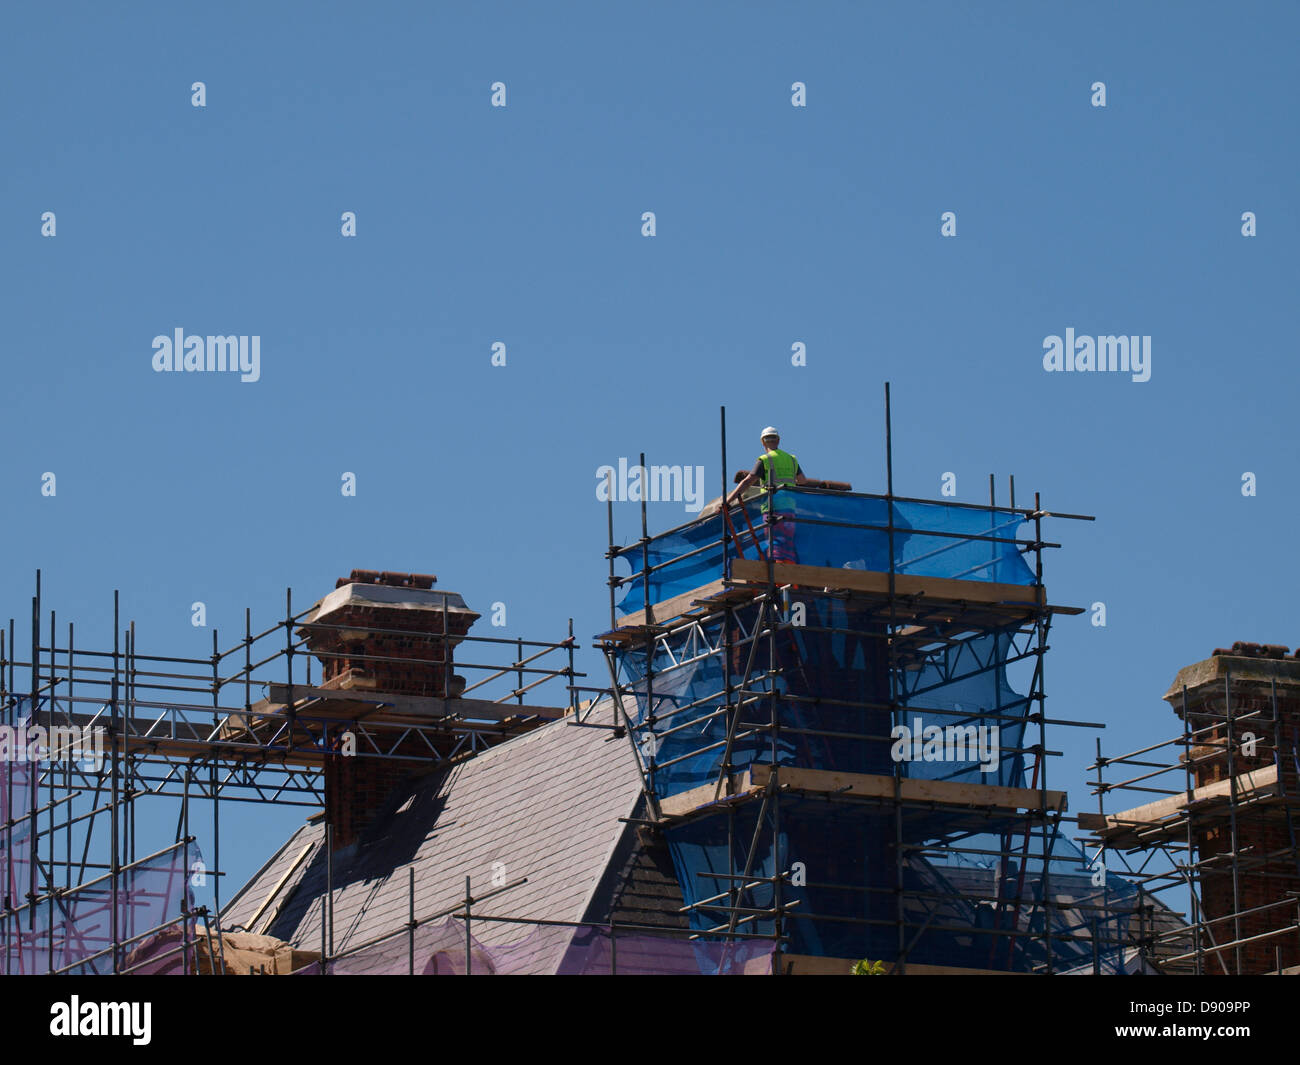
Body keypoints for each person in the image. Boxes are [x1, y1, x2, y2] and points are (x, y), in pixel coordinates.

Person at [725, 427, 808, 563]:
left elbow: (747, 482)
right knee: (787, 542)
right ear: (778, 440)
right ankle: (789, 569)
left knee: (774, 541)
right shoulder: (792, 459)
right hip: (790, 508)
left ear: (763, 442)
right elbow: (803, 481)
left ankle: (777, 572)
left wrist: (728, 502)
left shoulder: (765, 459)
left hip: (772, 509)